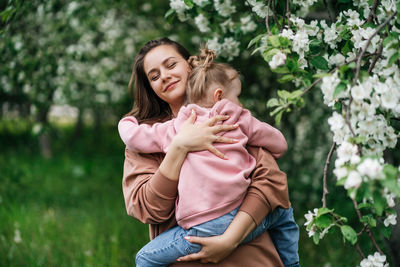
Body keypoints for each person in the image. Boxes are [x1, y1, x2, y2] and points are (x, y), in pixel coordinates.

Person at [119, 47, 299, 267]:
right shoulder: (150, 140)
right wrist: (179, 147)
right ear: (151, 88)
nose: (164, 76)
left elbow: (271, 182)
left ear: (190, 65)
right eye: (154, 76)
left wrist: (230, 240)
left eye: (171, 64)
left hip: (252, 259)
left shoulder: (228, 114)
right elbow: (148, 208)